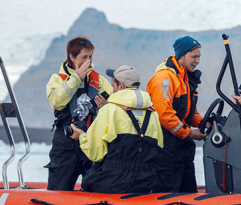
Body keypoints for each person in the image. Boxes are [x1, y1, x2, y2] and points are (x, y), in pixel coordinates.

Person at [71, 65, 164, 194]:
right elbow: (158, 147)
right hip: (145, 182)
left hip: (112, 181)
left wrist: (81, 136)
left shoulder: (109, 110)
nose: (112, 90)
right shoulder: (153, 114)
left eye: (113, 86)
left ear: (121, 85)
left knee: (89, 178)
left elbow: (95, 154)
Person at [44, 36, 113, 191]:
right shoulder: (57, 79)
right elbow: (56, 101)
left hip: (91, 141)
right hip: (65, 143)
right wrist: (76, 78)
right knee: (58, 189)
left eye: (90, 56)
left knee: (94, 191)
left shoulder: (100, 81)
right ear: (72, 57)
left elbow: (113, 110)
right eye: (84, 57)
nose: (88, 61)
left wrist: (105, 107)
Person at [146, 36, 207, 193]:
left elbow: (190, 111)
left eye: (199, 56)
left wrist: (204, 122)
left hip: (181, 147)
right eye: (194, 56)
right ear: (182, 55)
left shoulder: (187, 78)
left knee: (187, 189)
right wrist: (189, 133)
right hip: (165, 146)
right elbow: (163, 113)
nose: (198, 61)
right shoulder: (164, 78)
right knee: (168, 189)